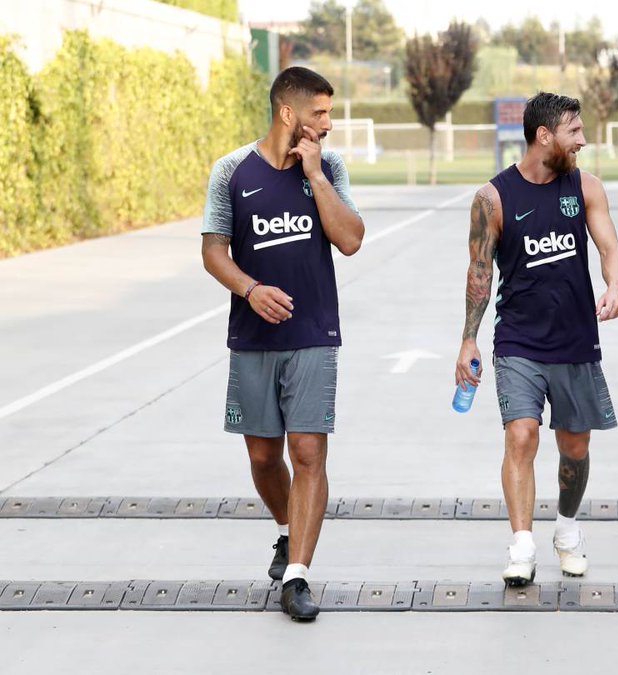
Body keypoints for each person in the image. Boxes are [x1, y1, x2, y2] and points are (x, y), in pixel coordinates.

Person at [200, 66, 364, 620]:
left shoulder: (330, 165)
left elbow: (351, 240)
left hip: (315, 334)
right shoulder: (230, 171)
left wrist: (316, 177)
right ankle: (286, 528)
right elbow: (214, 251)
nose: (329, 123)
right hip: (252, 337)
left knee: (309, 452)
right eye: (320, 113)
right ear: (288, 113)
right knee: (265, 456)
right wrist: (249, 289)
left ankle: (297, 575)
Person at [456, 92, 618, 587]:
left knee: (574, 448)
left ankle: (567, 530)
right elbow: (479, 273)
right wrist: (468, 340)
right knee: (521, 435)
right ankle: (522, 545)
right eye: (575, 132)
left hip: (576, 341)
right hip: (518, 343)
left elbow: (611, 246)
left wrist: (614, 286)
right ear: (544, 136)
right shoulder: (493, 198)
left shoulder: (586, 187)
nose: (583, 141)